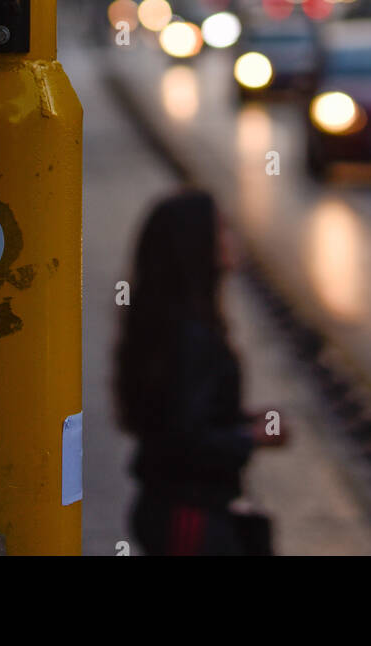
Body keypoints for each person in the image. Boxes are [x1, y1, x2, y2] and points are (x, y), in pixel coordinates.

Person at [113, 190, 289, 555]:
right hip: (189, 516)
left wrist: (241, 419)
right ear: (195, 246)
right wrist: (253, 437)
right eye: (222, 229)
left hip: (178, 508)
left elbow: (180, 412)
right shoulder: (190, 336)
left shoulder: (172, 325)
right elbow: (183, 439)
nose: (232, 238)